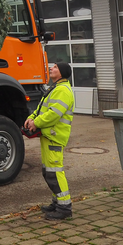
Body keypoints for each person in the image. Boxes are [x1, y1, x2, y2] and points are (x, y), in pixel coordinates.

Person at [24, 62, 75, 220]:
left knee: (55, 171)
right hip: (49, 135)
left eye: (55, 67)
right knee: (49, 172)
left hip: (54, 136)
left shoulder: (62, 90)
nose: (51, 69)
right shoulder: (54, 88)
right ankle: (57, 202)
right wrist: (31, 118)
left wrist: (36, 123)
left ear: (62, 73)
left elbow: (53, 114)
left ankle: (65, 208)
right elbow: (41, 108)